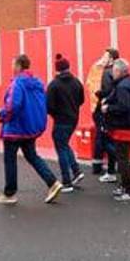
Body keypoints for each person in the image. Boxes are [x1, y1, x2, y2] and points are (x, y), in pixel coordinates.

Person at [0, 54, 63, 206]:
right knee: (32, 156)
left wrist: (2, 114)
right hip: (30, 128)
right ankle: (52, 182)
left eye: (13, 64)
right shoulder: (37, 82)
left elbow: (13, 105)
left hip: (15, 129)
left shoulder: (17, 83)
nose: (12, 67)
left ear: (18, 66)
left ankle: (9, 193)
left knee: (10, 160)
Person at [100, 58, 130, 202]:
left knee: (123, 159)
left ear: (118, 71)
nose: (112, 73)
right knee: (123, 157)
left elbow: (123, 107)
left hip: (124, 127)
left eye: (113, 71)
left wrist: (108, 108)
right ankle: (125, 185)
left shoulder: (123, 86)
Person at [46, 54, 85, 193]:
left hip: (61, 120)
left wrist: (56, 114)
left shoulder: (54, 85)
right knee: (64, 145)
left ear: (56, 69)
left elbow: (49, 106)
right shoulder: (76, 82)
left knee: (61, 148)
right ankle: (76, 171)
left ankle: (66, 181)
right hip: (73, 119)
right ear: (68, 67)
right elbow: (81, 100)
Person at [92, 47, 119, 182]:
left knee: (104, 139)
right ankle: (112, 165)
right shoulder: (115, 72)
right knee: (106, 138)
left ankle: (108, 167)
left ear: (111, 59)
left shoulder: (107, 72)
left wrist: (99, 94)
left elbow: (107, 91)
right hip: (112, 110)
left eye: (105, 56)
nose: (103, 58)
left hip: (105, 110)